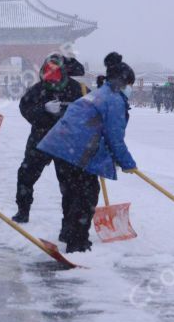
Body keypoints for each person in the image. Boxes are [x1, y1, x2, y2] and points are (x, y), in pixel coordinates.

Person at [37, 52, 138, 253]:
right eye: (129, 85)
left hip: (61, 147)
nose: (129, 89)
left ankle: (68, 234)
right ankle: (78, 244)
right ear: (121, 82)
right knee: (86, 197)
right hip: (75, 151)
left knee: (73, 193)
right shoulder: (113, 100)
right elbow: (114, 137)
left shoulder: (99, 94)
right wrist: (127, 163)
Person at [12, 54, 88, 224]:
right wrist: (43, 111)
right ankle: (23, 211)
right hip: (40, 141)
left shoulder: (78, 89)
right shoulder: (38, 90)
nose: (52, 82)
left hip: (66, 143)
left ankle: (69, 222)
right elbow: (25, 108)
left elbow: (90, 113)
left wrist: (68, 114)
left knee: (69, 184)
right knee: (26, 175)